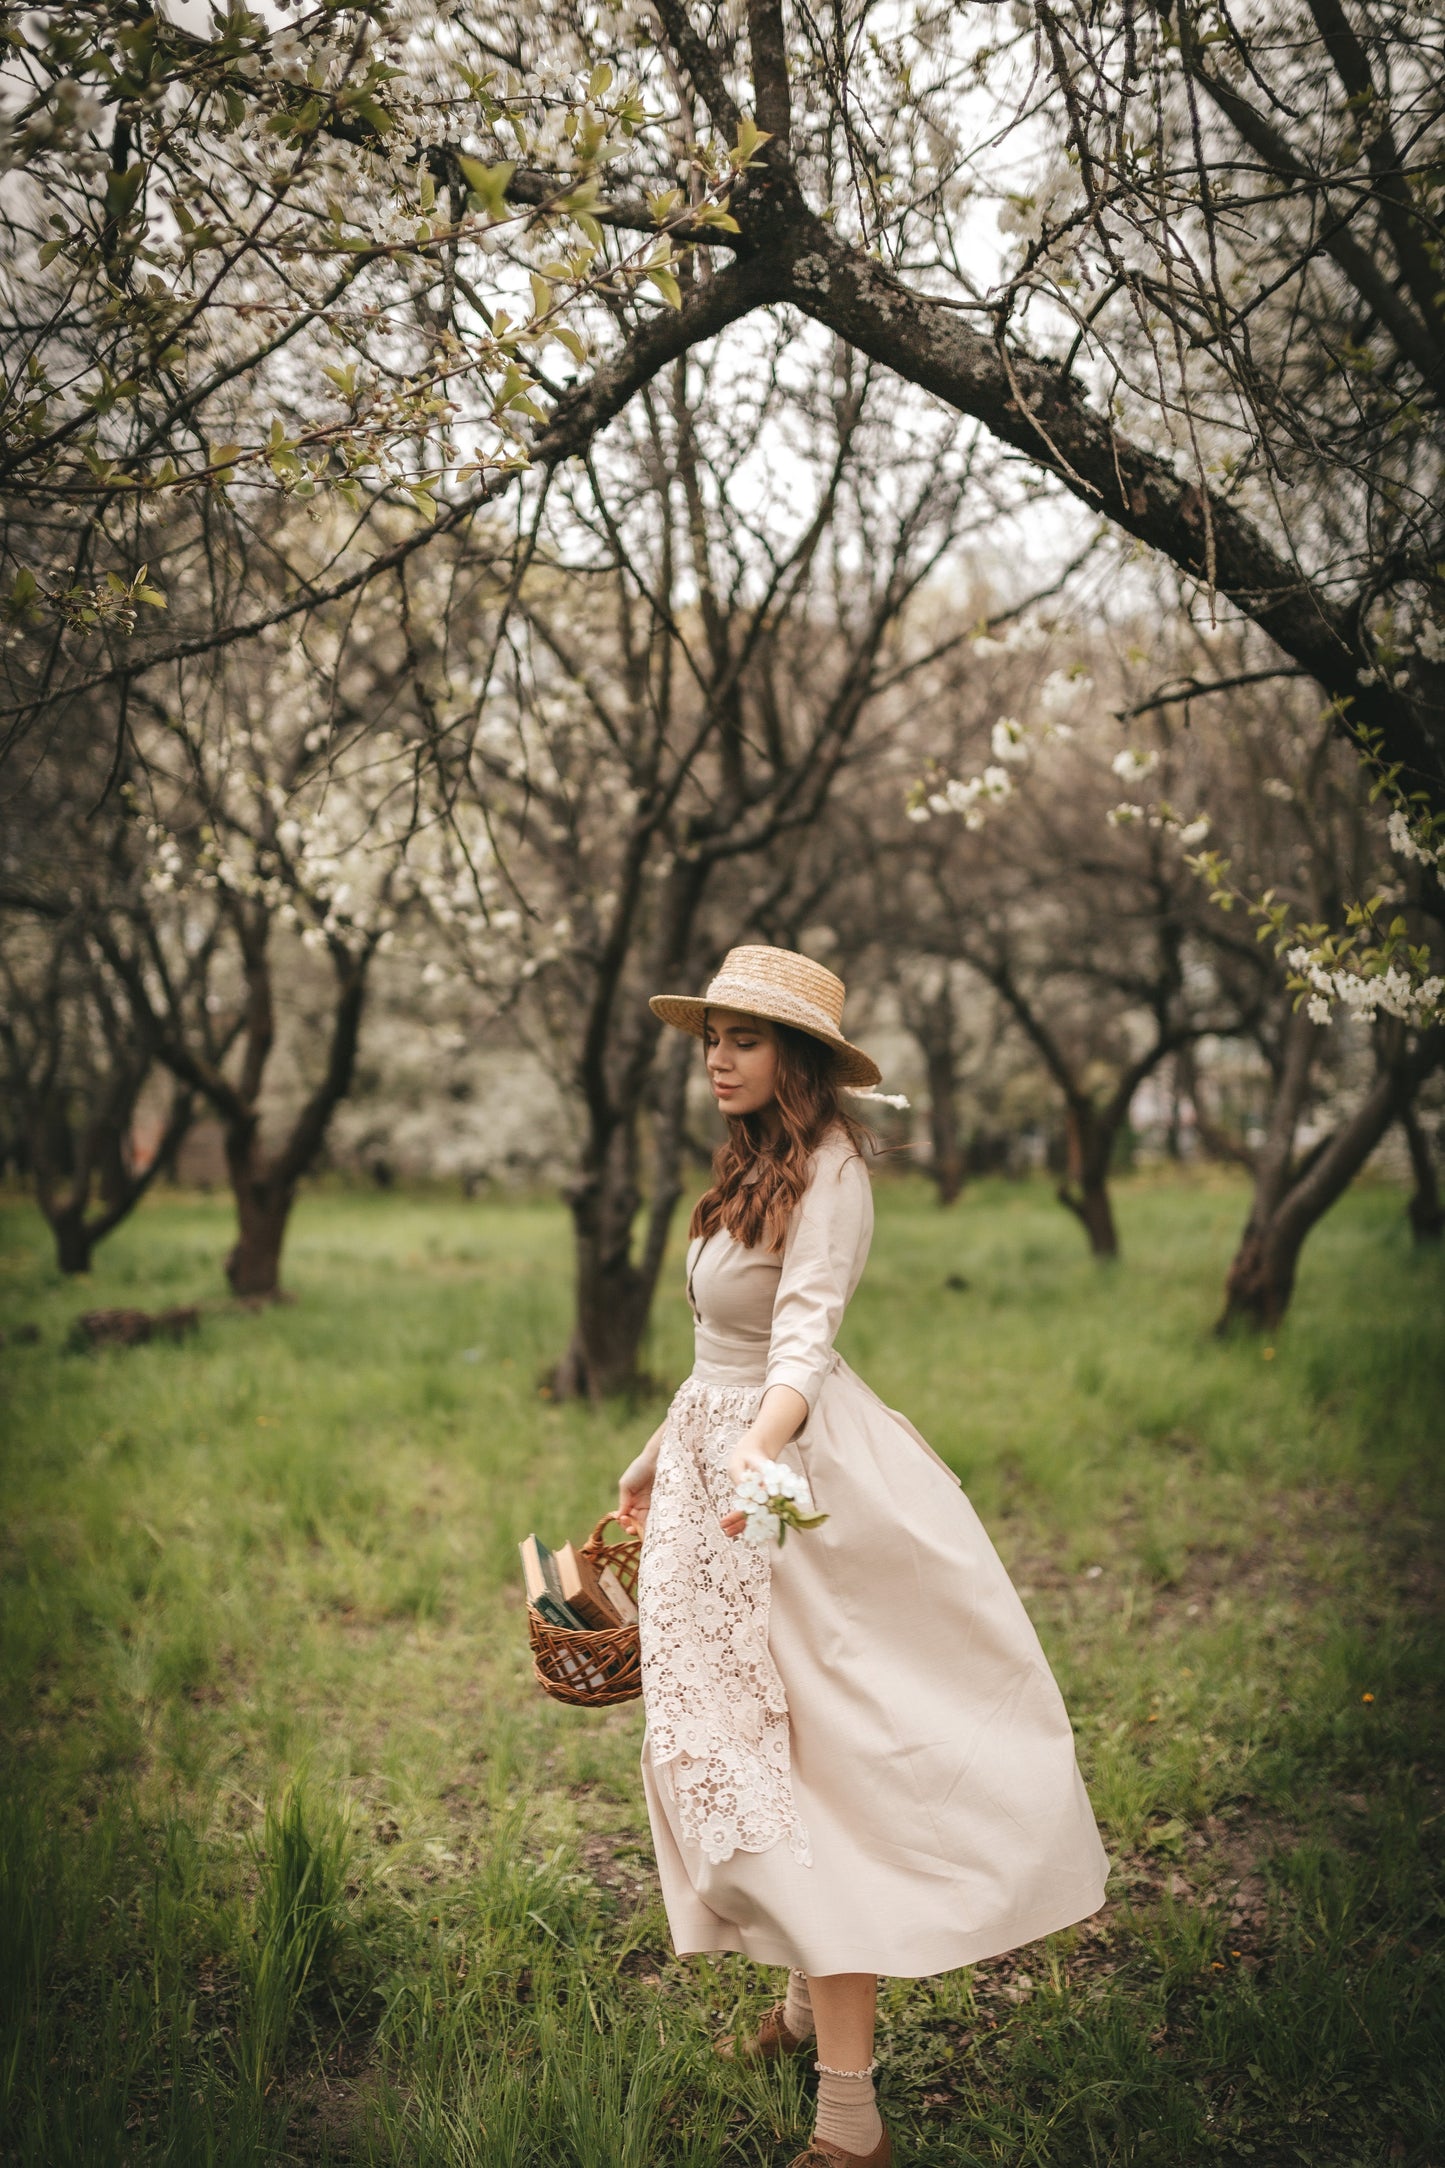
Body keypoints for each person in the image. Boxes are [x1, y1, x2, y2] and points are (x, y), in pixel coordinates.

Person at [616, 946, 1108, 2168]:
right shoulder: (748, 1160)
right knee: (740, 1744)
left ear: (799, 1057)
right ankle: (799, 2002)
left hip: (781, 1485)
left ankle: (851, 2120)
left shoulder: (831, 1170)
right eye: (709, 1036)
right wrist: (653, 1454)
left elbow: (801, 1340)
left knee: (810, 1765)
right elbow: (715, 1347)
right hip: (721, 1459)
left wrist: (753, 1460)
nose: (717, 1056)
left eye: (742, 1037)